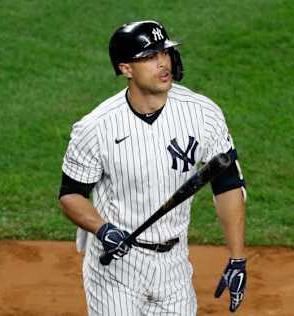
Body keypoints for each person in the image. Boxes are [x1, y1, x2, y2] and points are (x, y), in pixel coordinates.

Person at [59, 20, 247, 315]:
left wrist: (237, 258)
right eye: (149, 57)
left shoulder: (202, 113)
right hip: (116, 269)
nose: (163, 63)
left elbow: (227, 184)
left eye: (165, 53)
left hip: (174, 265)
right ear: (125, 69)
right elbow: (71, 195)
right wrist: (103, 229)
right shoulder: (95, 127)